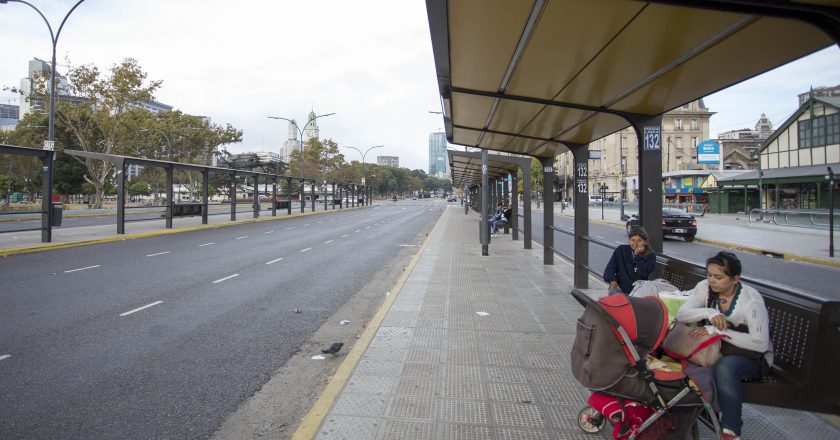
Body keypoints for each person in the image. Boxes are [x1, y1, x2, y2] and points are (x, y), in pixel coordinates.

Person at [675, 251, 770, 440]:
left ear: (735, 279)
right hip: (717, 349)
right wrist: (709, 312)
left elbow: (760, 344)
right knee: (682, 363)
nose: (711, 280)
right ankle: (694, 413)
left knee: (724, 368)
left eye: (718, 277)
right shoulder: (705, 288)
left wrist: (718, 332)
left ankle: (731, 430)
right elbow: (682, 314)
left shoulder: (750, 300)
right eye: (709, 275)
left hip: (750, 356)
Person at [602, 227, 656, 294]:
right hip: (621, 289)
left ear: (645, 242)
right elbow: (609, 270)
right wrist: (613, 281)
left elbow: (643, 273)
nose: (635, 243)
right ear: (629, 240)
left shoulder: (650, 255)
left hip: (639, 291)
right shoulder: (621, 250)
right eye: (632, 240)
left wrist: (638, 256)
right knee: (613, 292)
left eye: (639, 241)